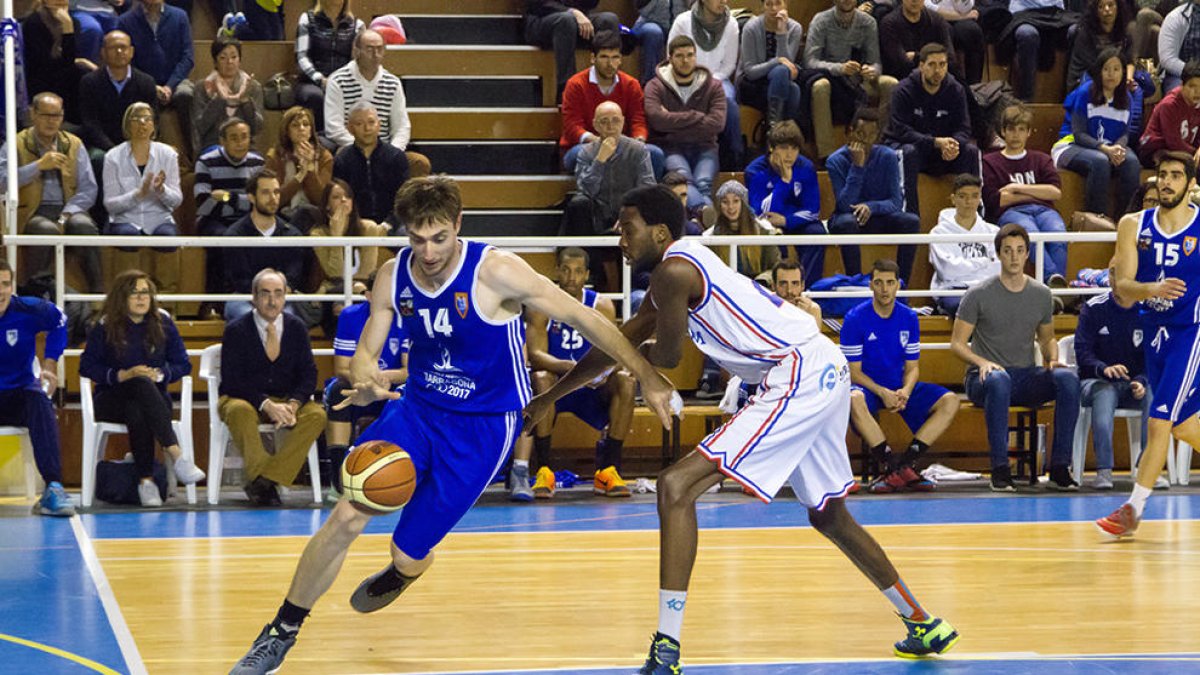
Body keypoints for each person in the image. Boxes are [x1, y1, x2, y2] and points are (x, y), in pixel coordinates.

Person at [228, 176, 677, 674]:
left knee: (407, 550)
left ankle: (406, 570)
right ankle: (281, 630)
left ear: (458, 226)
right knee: (348, 514)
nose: (429, 250)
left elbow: (585, 319)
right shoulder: (393, 274)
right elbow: (365, 352)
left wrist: (647, 377)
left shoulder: (497, 270)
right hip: (417, 410)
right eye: (417, 239)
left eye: (439, 238)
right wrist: (368, 378)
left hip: (483, 428)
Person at [524, 184, 959, 672]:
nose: (618, 237)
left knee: (674, 485)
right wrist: (550, 398)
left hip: (797, 372)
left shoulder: (673, 271)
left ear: (660, 231)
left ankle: (666, 649)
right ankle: (922, 621)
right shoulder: (679, 267)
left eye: (627, 227)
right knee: (829, 515)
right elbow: (616, 345)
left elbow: (664, 357)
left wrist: (640, 363)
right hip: (820, 368)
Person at [1095, 151, 1200, 537]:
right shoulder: (1132, 225)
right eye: (1162, 175)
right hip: (1154, 333)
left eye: (1176, 175)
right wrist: (1152, 289)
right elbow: (1122, 285)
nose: (1167, 182)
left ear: (1191, 184)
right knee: (1185, 426)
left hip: (1192, 332)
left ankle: (1132, 510)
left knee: (1159, 420)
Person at [951, 223, 1081, 492]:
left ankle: (1059, 467)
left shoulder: (1041, 294)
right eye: (1008, 251)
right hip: (984, 378)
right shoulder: (978, 294)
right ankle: (999, 470)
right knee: (999, 381)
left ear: (1026, 254)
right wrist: (982, 362)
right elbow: (957, 343)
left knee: (1067, 378)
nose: (1014, 256)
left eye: (1020, 251)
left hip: (1023, 375)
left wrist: (1052, 358)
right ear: (999, 254)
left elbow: (1047, 338)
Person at [506, 247, 638, 502]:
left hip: (592, 389)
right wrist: (573, 369)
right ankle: (544, 470)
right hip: (558, 387)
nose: (571, 277)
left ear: (587, 274)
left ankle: (609, 470)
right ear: (557, 271)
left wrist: (603, 372)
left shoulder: (602, 305)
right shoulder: (541, 305)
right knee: (541, 377)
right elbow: (535, 354)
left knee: (626, 381)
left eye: (578, 271)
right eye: (565, 270)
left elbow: (614, 350)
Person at [78, 270, 203, 506]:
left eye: (145, 292)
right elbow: (87, 367)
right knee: (137, 381)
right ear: (121, 297)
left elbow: (183, 364)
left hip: (153, 398)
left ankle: (146, 482)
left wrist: (161, 374)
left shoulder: (163, 322)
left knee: (139, 404)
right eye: (134, 293)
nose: (141, 298)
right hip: (112, 399)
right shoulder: (105, 325)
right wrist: (121, 375)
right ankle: (176, 455)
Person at [842, 259, 960, 493]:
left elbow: (913, 367)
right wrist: (882, 392)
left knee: (951, 400)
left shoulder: (909, 317)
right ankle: (890, 464)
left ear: (898, 285)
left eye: (890, 283)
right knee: (854, 399)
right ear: (870, 286)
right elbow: (853, 373)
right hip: (869, 389)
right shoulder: (855, 319)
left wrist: (905, 390)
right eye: (878, 283)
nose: (884, 289)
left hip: (899, 387)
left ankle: (905, 465)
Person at [218, 268, 327, 508]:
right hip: (242, 398)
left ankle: (265, 482)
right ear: (254, 298)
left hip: (287, 398)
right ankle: (264, 480)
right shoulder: (236, 330)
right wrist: (266, 404)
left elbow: (309, 374)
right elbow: (232, 379)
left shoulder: (297, 328)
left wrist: (293, 403)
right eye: (265, 294)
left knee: (317, 415)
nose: (272, 300)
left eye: (278, 293)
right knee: (240, 412)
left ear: (285, 297)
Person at [0, 92, 102, 291]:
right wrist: (38, 166)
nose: (51, 121)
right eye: (46, 115)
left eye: (56, 116)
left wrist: (68, 213)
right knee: (46, 230)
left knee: (84, 226)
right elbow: (2, 182)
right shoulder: (15, 144)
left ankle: (97, 292)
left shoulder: (73, 144)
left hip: (68, 210)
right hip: (31, 212)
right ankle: (35, 287)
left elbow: (89, 188)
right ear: (33, 114)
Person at [322, 269, 406, 495]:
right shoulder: (351, 316)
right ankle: (339, 478)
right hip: (358, 384)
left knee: (411, 396)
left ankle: (404, 472)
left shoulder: (406, 316)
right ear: (369, 295)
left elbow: (409, 371)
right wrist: (365, 382)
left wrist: (383, 378)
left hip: (390, 386)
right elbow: (341, 368)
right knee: (338, 392)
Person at [0, 260, 74, 517]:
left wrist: (50, 362)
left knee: (39, 399)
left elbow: (60, 319)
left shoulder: (27, 309)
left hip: (18, 395)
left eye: (5, 284)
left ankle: (53, 488)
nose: (1, 291)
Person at [563, 101, 656, 291]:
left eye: (615, 121)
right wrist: (600, 160)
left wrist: (628, 214)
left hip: (628, 215)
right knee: (578, 204)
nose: (610, 127)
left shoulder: (638, 150)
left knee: (648, 209)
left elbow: (647, 188)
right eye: (604, 121)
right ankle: (587, 268)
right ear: (595, 125)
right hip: (597, 218)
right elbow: (585, 189)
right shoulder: (587, 152)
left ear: (623, 123)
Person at [885, 43, 980, 218]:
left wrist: (953, 144)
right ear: (921, 66)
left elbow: (964, 127)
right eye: (932, 65)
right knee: (908, 152)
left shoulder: (956, 89)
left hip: (943, 152)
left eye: (942, 64)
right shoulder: (903, 90)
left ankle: (977, 215)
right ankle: (910, 216)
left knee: (971, 151)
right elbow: (900, 130)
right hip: (913, 149)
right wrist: (935, 142)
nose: (938, 70)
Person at [827, 107, 920, 284]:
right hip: (848, 219)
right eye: (860, 133)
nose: (865, 140)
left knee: (911, 221)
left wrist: (871, 207)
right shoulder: (835, 161)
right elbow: (844, 205)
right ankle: (854, 285)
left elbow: (896, 202)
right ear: (850, 132)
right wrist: (857, 167)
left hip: (879, 216)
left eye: (871, 135)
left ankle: (901, 285)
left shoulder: (888, 156)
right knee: (846, 222)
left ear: (877, 137)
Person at [982, 104, 1068, 287]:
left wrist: (1016, 188)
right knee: (1031, 235)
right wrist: (1037, 193)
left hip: (1044, 211)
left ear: (1029, 132)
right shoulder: (989, 162)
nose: (1016, 134)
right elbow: (996, 200)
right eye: (1012, 129)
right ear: (1003, 131)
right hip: (1011, 213)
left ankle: (1057, 291)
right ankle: (1055, 281)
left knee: (1058, 233)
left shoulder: (1041, 159)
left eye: (1021, 129)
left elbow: (1055, 192)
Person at [1054, 48, 1144, 220]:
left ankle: (1126, 219)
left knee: (1132, 162)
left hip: (1108, 147)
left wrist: (1118, 147)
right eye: (1106, 69)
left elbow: (1125, 133)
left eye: (1116, 69)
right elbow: (1078, 134)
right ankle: (1096, 220)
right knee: (1100, 161)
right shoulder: (1085, 92)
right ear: (1099, 71)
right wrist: (1104, 149)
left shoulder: (1127, 99)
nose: (1111, 74)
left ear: (1123, 72)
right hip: (1072, 145)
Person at [1074, 289, 1150, 489]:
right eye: (1114, 274)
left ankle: (1148, 468)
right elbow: (1082, 352)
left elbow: (1154, 357)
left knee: (1155, 394)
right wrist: (1104, 368)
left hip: (1133, 384)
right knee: (1105, 393)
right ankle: (1104, 470)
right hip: (1095, 381)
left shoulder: (1148, 310)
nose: (1117, 280)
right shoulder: (1093, 308)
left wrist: (1141, 381)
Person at [559, 31, 663, 176]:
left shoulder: (631, 84)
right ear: (592, 58)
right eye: (604, 57)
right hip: (586, 146)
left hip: (622, 146)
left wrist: (638, 140)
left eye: (615, 58)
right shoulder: (576, 85)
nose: (610, 64)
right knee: (580, 154)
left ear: (620, 59)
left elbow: (638, 120)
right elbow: (572, 126)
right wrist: (599, 142)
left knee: (655, 154)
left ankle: (644, 196)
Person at [102, 102, 182, 290]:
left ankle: (166, 298)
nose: (142, 123)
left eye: (147, 119)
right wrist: (138, 194)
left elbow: (177, 199)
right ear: (127, 125)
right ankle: (126, 291)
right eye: (136, 119)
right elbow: (110, 205)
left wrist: (161, 190)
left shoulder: (168, 154)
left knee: (168, 238)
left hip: (159, 217)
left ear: (154, 125)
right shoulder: (112, 156)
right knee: (129, 236)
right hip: (124, 219)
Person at [804, 0, 897, 159]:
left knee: (891, 84)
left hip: (859, 81)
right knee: (820, 86)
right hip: (832, 80)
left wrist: (872, 70)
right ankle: (826, 154)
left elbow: (875, 62)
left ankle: (879, 144)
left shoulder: (868, 22)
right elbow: (810, 61)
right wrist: (839, 68)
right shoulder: (821, 20)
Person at [645, 35, 727, 209]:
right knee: (684, 180)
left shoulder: (714, 86)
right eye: (680, 56)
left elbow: (717, 123)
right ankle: (703, 214)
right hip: (671, 147)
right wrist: (696, 116)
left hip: (705, 146)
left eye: (690, 55)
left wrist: (672, 122)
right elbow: (656, 121)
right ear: (670, 58)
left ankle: (701, 218)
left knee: (704, 183)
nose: (685, 60)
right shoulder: (655, 86)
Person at [194, 117, 265, 309]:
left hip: (247, 220)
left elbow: (259, 203)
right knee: (225, 239)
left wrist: (227, 197)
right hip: (212, 221)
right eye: (234, 138)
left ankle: (255, 297)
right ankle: (215, 304)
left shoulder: (257, 163)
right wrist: (243, 201)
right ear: (222, 141)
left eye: (244, 137)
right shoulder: (206, 162)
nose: (240, 142)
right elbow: (203, 203)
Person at [744, 121, 824, 286]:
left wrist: (787, 220)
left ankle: (806, 290)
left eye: (794, 149)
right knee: (774, 235)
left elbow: (812, 210)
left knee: (817, 233)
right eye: (784, 148)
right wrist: (784, 182)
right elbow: (760, 213)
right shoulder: (755, 171)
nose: (789, 155)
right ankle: (777, 291)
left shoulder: (805, 167)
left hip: (794, 220)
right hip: (770, 224)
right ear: (772, 148)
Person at [223, 170, 306, 321]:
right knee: (247, 318)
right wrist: (265, 298)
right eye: (266, 193)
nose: (273, 198)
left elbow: (293, 277)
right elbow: (240, 281)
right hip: (245, 297)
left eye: (276, 192)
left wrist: (276, 297)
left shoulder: (292, 235)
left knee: (289, 319)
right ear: (251, 197)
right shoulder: (235, 235)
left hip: (281, 298)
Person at [668, 0, 743, 167]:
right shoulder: (683, 21)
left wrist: (710, 83)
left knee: (729, 103)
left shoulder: (731, 23)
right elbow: (671, 56)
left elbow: (729, 64)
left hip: (718, 78)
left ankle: (734, 161)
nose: (724, 1)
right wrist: (694, 81)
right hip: (685, 78)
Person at [118, 0, 195, 158]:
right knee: (142, 98)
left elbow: (188, 57)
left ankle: (193, 153)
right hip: (143, 82)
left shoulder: (180, 16)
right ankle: (150, 156)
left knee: (186, 94)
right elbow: (126, 61)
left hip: (177, 81)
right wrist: (151, 85)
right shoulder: (126, 21)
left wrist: (170, 86)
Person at [324, 29, 410, 152]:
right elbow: (334, 127)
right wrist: (363, 149)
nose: (375, 54)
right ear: (356, 51)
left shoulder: (393, 83)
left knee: (419, 162)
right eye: (369, 49)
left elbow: (402, 127)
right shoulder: (338, 80)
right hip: (351, 150)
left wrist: (392, 152)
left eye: (379, 49)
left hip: (385, 150)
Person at [78, 31, 157, 161]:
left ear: (131, 51)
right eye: (113, 48)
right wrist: (114, 150)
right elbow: (90, 124)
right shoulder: (90, 82)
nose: (119, 51)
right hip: (102, 146)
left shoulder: (146, 82)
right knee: (99, 158)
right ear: (103, 52)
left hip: (136, 143)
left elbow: (152, 121)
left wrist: (134, 147)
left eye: (124, 47)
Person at [929, 173, 1000, 316]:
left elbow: (998, 269)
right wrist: (984, 261)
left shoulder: (994, 231)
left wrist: (963, 266)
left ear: (980, 199)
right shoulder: (939, 233)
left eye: (974, 196)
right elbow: (947, 270)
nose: (969, 201)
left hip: (988, 289)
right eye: (962, 196)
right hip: (953, 290)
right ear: (953, 199)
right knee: (970, 309)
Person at [309, 178, 388, 307]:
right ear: (327, 205)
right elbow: (335, 273)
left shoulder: (369, 229)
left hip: (361, 288)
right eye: (336, 197)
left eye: (348, 196)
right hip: (334, 290)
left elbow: (367, 272)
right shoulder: (318, 234)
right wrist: (336, 237)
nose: (344, 200)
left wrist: (353, 286)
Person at [523, 0, 621, 100]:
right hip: (542, 19)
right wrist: (573, 12)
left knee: (609, 19)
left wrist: (577, 13)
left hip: (578, 19)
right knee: (566, 20)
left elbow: (591, 4)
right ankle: (568, 91)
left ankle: (607, 86)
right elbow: (539, 4)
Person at [331, 103, 410, 226]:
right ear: (350, 128)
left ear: (379, 125)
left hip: (393, 223)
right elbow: (342, 199)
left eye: (371, 122)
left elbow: (404, 199)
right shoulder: (342, 159)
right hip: (355, 223)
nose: (367, 128)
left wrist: (387, 225)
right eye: (359, 124)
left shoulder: (396, 156)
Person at [294, 0, 364, 131]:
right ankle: (319, 139)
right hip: (312, 82)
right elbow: (301, 57)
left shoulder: (357, 25)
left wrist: (340, 80)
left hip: (345, 81)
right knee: (315, 96)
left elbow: (357, 60)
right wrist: (320, 79)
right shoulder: (307, 19)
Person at [23, 0, 93, 126]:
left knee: (85, 76)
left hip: (62, 76)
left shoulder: (72, 22)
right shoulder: (34, 22)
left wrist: (68, 28)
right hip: (41, 80)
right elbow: (44, 65)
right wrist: (68, 31)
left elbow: (68, 60)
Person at [191, 35, 264, 154]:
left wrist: (245, 101)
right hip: (213, 146)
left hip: (246, 147)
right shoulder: (202, 87)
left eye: (234, 57)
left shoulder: (253, 87)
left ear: (239, 60)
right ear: (215, 61)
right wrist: (219, 99)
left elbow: (257, 128)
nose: (229, 62)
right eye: (223, 58)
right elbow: (200, 127)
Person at [738, 0, 804, 130]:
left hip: (781, 81)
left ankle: (774, 129)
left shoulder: (795, 28)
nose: (774, 8)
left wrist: (781, 33)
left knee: (787, 79)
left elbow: (788, 66)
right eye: (768, 4)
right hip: (752, 84)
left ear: (786, 4)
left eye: (778, 3)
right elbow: (750, 72)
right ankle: (780, 133)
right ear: (762, 6)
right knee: (790, 85)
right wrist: (777, 61)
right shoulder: (751, 28)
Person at [702, 179, 780, 279]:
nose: (731, 207)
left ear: (743, 203)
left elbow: (774, 266)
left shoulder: (763, 231)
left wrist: (763, 280)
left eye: (736, 201)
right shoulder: (710, 236)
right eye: (725, 202)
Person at [264, 106, 334, 217]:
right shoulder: (275, 156)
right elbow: (274, 199)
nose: (301, 128)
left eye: (305, 124)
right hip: (282, 215)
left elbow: (322, 200)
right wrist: (300, 176)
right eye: (295, 125)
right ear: (287, 131)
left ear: (311, 131)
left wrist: (310, 169)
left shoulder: (324, 157)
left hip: (314, 216)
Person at [1138, 60, 1200, 165]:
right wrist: (1195, 153)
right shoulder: (1169, 105)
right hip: (1155, 149)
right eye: (1192, 86)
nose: (1197, 92)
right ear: (1182, 84)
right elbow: (1173, 142)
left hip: (1185, 150)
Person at [879, 0, 957, 80]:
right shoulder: (889, 24)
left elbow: (950, 59)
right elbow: (901, 64)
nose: (914, 1)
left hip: (938, 77)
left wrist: (916, 56)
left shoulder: (937, 20)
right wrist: (935, 61)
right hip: (904, 80)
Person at [1067, 0, 1132, 90]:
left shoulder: (1124, 33)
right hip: (1087, 79)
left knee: (1137, 88)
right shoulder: (1085, 34)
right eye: (1101, 7)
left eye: (1110, 5)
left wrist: (1128, 79)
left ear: (1118, 7)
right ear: (1095, 11)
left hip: (1115, 76)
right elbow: (1096, 66)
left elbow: (1129, 61)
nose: (1107, 9)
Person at [924, 0, 984, 84]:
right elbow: (929, 8)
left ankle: (974, 86)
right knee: (945, 32)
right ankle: (949, 84)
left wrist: (958, 1)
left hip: (960, 17)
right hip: (933, 18)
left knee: (973, 32)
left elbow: (965, 8)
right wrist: (963, 16)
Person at [634, 0, 689, 84]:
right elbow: (641, 7)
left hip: (678, 24)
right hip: (649, 22)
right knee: (653, 32)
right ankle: (651, 83)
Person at [1158, 0, 1200, 93]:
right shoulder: (1175, 17)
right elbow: (1167, 59)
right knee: (1183, 96)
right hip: (1181, 75)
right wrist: (1192, 72)